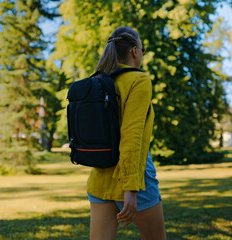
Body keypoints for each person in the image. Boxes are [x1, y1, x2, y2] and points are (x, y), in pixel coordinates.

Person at [86, 26, 166, 240]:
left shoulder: (97, 81)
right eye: (143, 49)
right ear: (134, 51)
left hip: (100, 176)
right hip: (133, 176)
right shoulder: (138, 81)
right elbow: (132, 137)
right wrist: (130, 190)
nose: (142, 53)